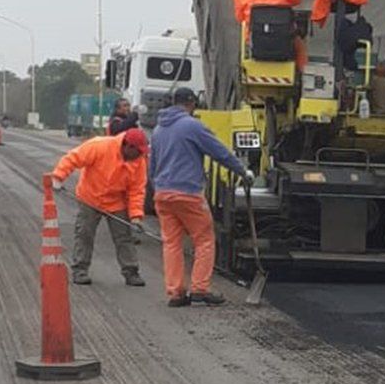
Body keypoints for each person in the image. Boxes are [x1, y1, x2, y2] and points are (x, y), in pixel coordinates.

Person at [149, 87, 252, 307]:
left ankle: (176, 292)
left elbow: (152, 166)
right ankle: (200, 288)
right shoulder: (191, 126)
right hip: (188, 193)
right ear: (190, 103)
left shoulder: (158, 129)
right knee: (204, 239)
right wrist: (243, 171)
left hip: (163, 194)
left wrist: (157, 188)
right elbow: (219, 152)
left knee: (171, 243)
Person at [50, 128, 149, 287]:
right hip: (90, 198)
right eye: (138, 152)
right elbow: (73, 158)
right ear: (128, 146)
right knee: (84, 233)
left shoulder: (139, 162)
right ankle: (80, 270)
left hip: (117, 202)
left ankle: (131, 271)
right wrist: (58, 176)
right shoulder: (99, 146)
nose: (140, 156)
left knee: (124, 237)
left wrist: (136, 216)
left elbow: (137, 190)